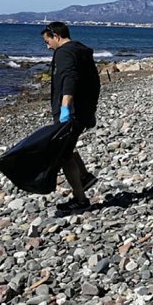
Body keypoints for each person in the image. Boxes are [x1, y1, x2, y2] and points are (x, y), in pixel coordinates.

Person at [41, 21, 101, 212]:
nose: (47, 46)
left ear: (56, 37)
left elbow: (69, 78)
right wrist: (90, 110)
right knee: (67, 146)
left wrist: (65, 107)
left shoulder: (64, 52)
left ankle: (80, 199)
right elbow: (94, 81)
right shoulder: (81, 50)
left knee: (64, 155)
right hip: (83, 110)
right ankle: (84, 177)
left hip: (72, 112)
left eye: (48, 41)